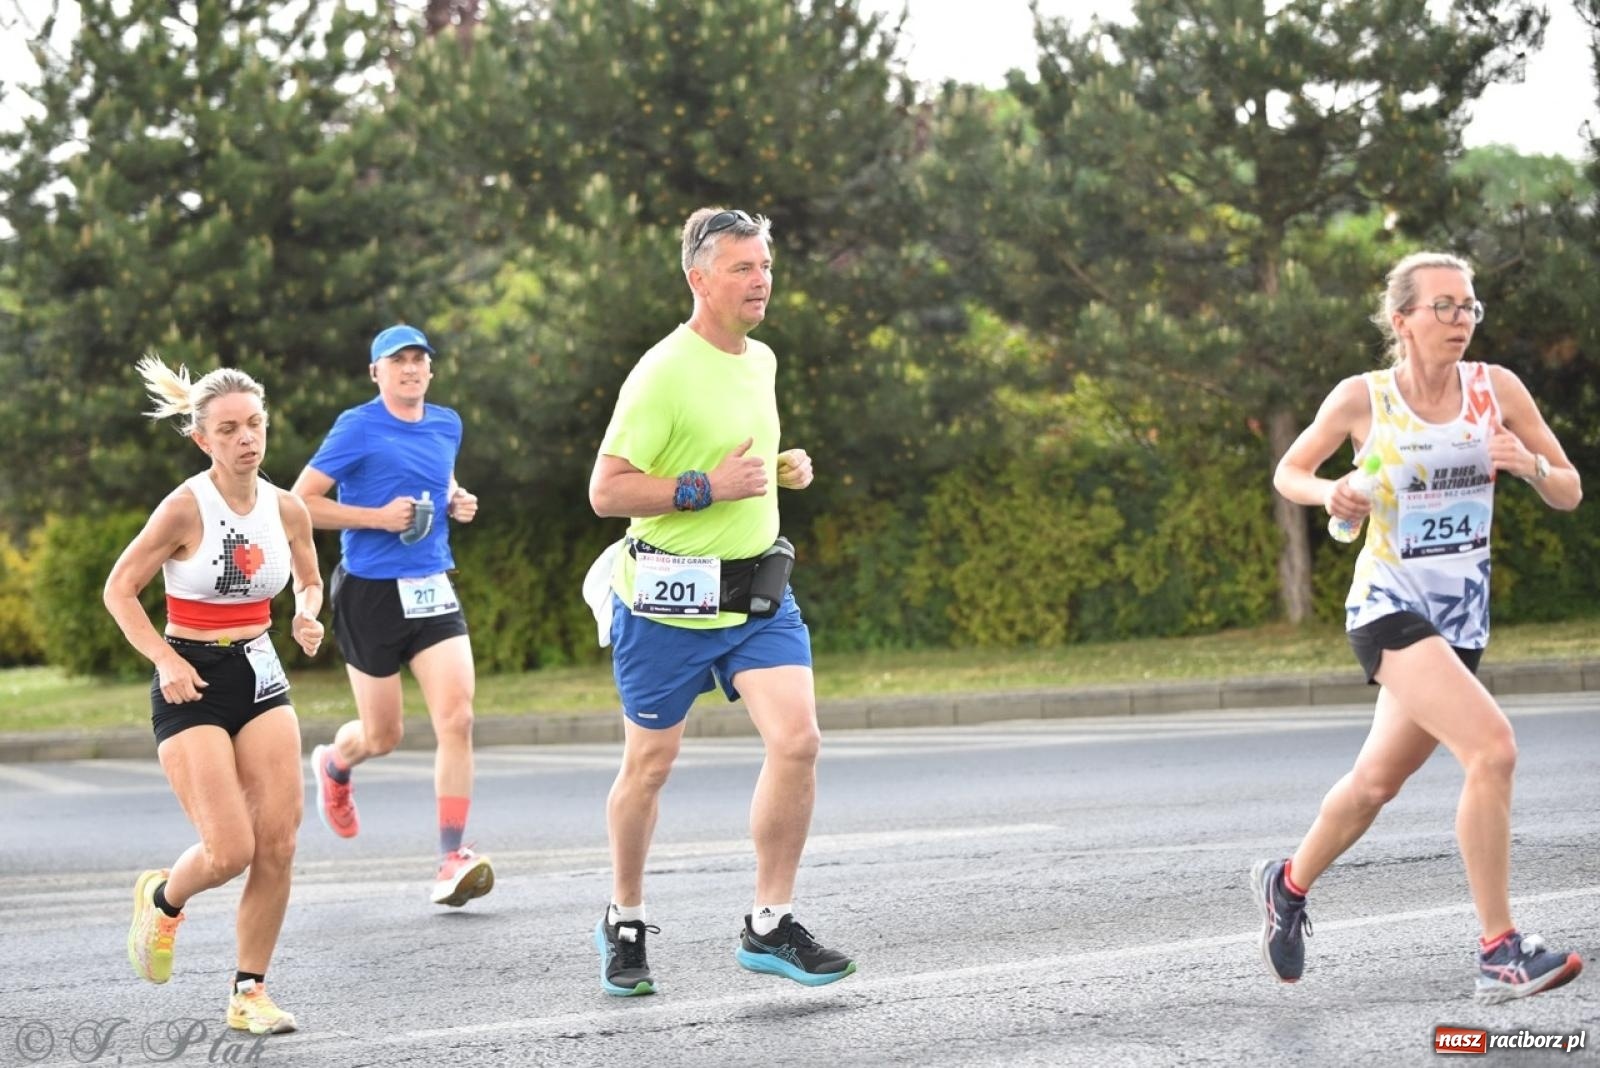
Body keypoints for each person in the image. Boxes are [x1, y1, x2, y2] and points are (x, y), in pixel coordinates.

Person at [1257, 251, 1584, 1003]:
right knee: (1492, 748)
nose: (1460, 320)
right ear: (1401, 319)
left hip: (1461, 619)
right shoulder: (1364, 398)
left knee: (1376, 783)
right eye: (1443, 306)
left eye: (1469, 307)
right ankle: (1499, 951)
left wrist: (1530, 463)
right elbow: (1289, 471)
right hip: (1388, 606)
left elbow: (1565, 488)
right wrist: (1332, 489)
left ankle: (1289, 881)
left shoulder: (1496, 389)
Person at [585, 207, 856, 996]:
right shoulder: (661, 371)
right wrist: (705, 488)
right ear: (698, 279)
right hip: (666, 599)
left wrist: (779, 469)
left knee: (799, 740)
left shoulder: (762, 361)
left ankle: (769, 923)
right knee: (650, 763)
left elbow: (740, 458)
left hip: (755, 596)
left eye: (764, 265)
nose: (761, 279)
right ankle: (624, 916)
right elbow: (607, 490)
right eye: (742, 267)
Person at [104, 354, 324, 1035]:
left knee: (279, 843)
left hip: (259, 672)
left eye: (254, 424)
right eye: (228, 429)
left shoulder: (287, 508)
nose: (246, 439)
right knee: (229, 850)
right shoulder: (182, 507)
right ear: (204, 439)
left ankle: (249, 992)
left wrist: (308, 611)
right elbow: (119, 590)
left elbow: (310, 579)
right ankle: (164, 899)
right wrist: (165, 659)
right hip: (190, 679)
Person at [291, 324, 493, 908]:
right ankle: (335, 761)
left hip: (431, 585)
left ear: (430, 369)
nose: (410, 369)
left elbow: (439, 478)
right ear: (376, 373)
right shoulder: (357, 426)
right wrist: (377, 518)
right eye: (396, 361)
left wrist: (458, 498)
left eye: (418, 360)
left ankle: (452, 857)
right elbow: (301, 502)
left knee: (457, 719)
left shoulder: (447, 423)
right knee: (383, 734)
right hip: (370, 592)